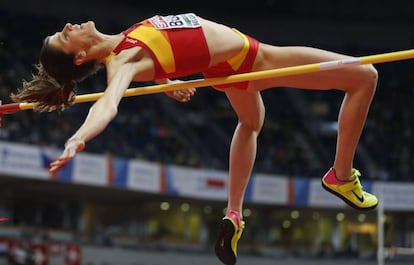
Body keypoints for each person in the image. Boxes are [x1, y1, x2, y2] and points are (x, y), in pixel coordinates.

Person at [9, 13, 378, 265]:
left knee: (251, 122)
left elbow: (164, 44)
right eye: (64, 35)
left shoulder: (124, 45)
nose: (69, 25)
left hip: (225, 68)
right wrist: (78, 138)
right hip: (254, 59)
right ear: (80, 56)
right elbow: (107, 105)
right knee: (365, 76)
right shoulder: (122, 64)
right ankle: (341, 177)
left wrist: (164, 81)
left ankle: (234, 211)